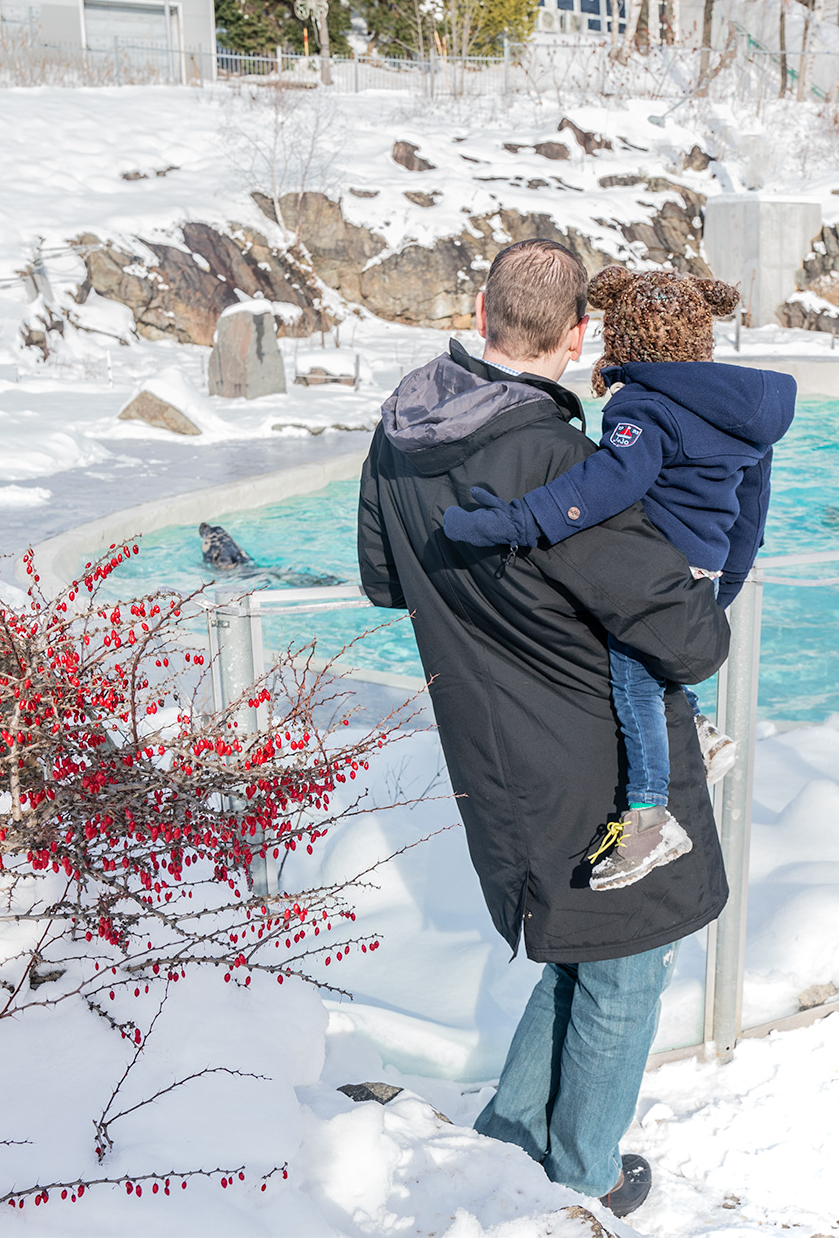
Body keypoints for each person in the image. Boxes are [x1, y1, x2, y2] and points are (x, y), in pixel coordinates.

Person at [357, 239, 731, 1219]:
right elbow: (687, 638)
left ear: (482, 315)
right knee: (625, 963)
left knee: (577, 947)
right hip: (598, 761)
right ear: (576, 336)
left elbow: (389, 578)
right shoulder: (562, 464)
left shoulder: (403, 427)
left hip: (493, 748)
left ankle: (511, 1144)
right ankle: (581, 1177)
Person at [444, 265, 797, 892]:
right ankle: (699, 730)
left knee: (632, 685)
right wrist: (722, 588)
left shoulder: (645, 404)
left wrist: (513, 521)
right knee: (651, 672)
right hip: (699, 573)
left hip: (658, 571)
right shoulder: (741, 417)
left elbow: (605, 487)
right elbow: (751, 515)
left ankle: (650, 816)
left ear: (623, 337)